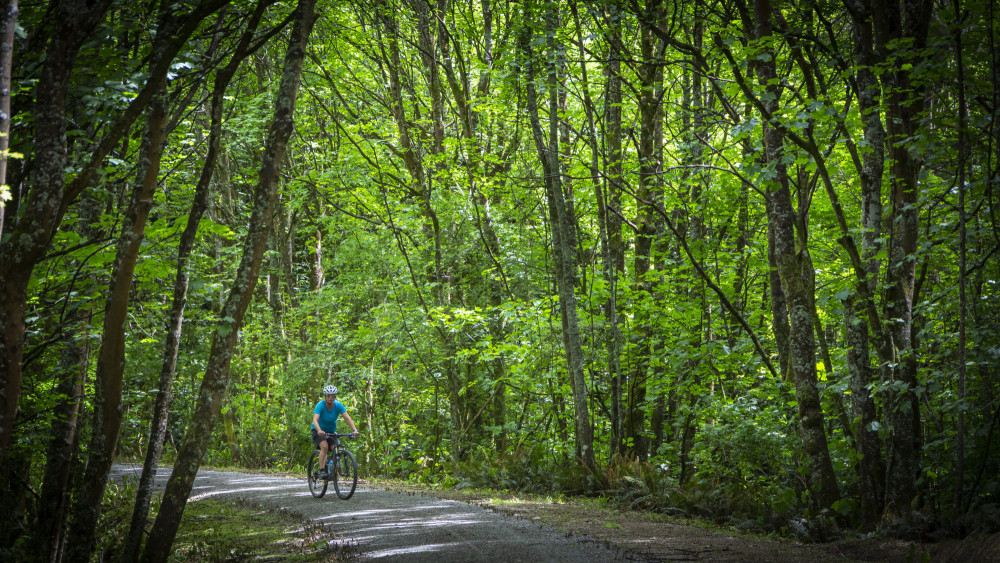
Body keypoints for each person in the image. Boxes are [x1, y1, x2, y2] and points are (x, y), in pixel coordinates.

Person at [311, 385, 359, 478]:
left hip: (331, 431)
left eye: (333, 396)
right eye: (328, 396)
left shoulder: (338, 405)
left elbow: (347, 419)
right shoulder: (320, 405)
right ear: (325, 396)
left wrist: (354, 430)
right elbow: (315, 420)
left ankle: (333, 470)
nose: (330, 398)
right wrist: (319, 430)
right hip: (318, 430)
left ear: (335, 397)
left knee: (336, 448)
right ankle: (322, 470)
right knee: (324, 446)